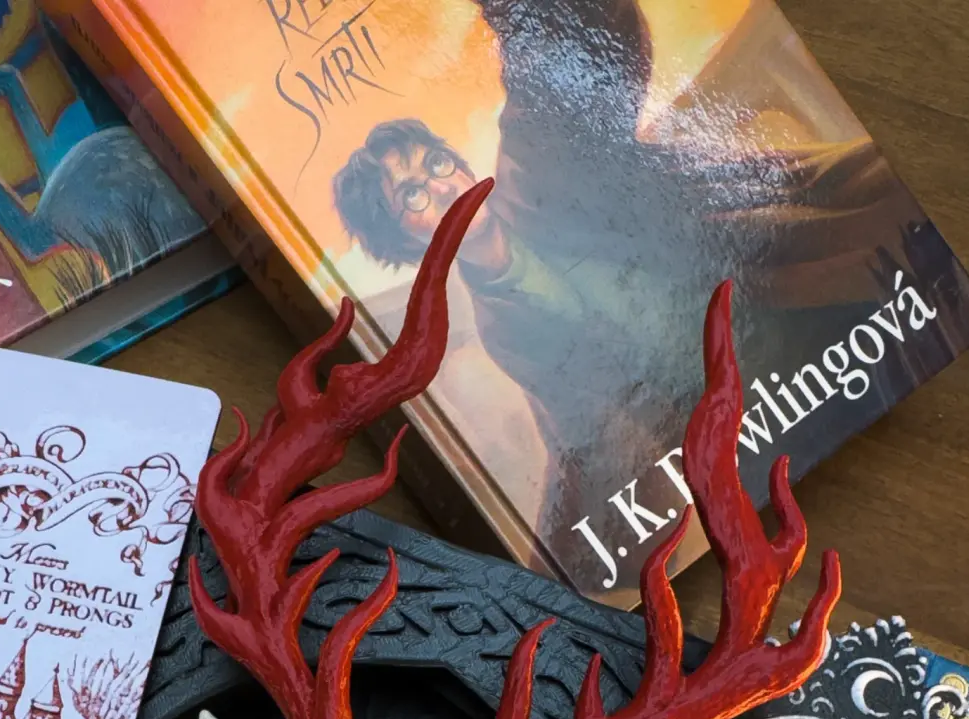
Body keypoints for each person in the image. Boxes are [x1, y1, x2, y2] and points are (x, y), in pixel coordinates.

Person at [331, 0, 936, 583]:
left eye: (436, 163)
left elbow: (573, 48)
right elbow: (582, 435)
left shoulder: (529, 175)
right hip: (766, 425)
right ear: (407, 242)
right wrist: (543, 571)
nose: (442, 188)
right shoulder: (502, 330)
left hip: (819, 287)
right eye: (412, 194)